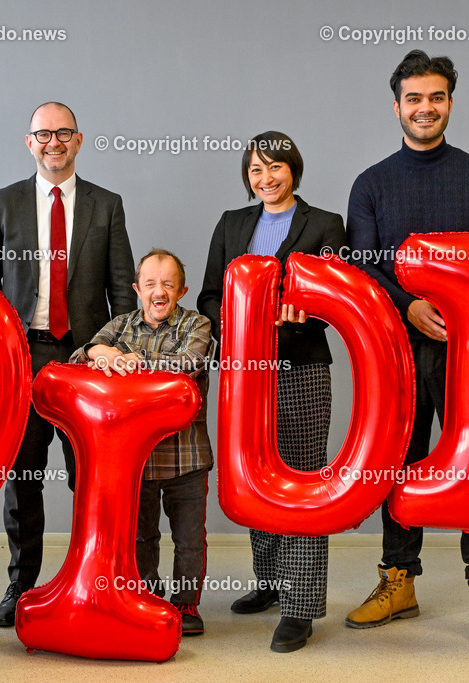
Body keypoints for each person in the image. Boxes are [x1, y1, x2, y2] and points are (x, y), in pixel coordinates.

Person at [345, 49, 469, 649]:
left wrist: (459, 315)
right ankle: (398, 580)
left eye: (435, 97)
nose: (424, 107)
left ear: (449, 104)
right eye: (413, 98)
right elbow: (364, 269)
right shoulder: (371, 184)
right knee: (401, 463)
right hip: (394, 352)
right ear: (396, 107)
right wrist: (410, 305)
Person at [0, 101, 135, 627]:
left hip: (88, 356)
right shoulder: (2, 203)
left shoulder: (106, 204)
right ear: (30, 142)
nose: (54, 142)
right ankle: (21, 583)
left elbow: (122, 287)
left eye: (63, 133)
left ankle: (95, 580)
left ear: (79, 139)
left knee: (89, 475)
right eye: (43, 134)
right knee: (22, 473)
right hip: (22, 355)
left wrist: (120, 353)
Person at [197, 131, 345, 653]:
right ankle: (270, 580)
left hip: (299, 366)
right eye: (256, 170)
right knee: (254, 472)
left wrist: (283, 323)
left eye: (276, 168)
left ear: (294, 170)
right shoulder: (232, 223)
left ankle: (301, 607)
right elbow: (210, 294)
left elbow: (331, 302)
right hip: (243, 370)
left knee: (303, 478)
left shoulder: (325, 225)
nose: (266, 178)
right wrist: (240, 331)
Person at [69, 248, 213, 636]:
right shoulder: (120, 325)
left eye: (167, 283)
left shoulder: (196, 324)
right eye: (150, 284)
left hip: (186, 456)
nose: (158, 291)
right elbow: (79, 356)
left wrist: (132, 362)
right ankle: (149, 595)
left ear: (181, 290)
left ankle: (186, 605)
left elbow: (187, 365)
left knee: (188, 539)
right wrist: (99, 351)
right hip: (139, 460)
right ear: (137, 289)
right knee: (142, 535)